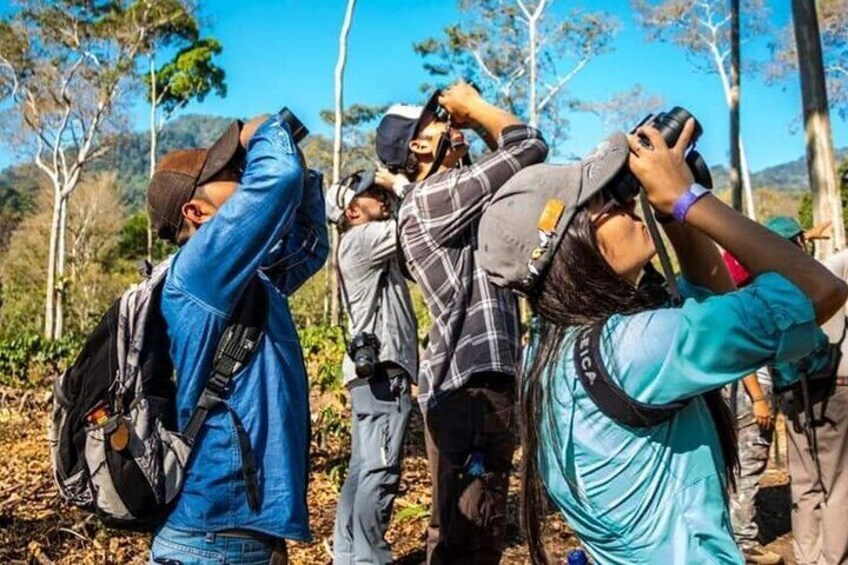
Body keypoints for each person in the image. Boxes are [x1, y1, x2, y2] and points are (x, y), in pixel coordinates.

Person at [476, 121, 847, 564]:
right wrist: (690, 200)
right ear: (573, 246)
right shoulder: (631, 350)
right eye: (607, 200)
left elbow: (717, 303)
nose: (628, 200)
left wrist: (675, 219)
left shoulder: (548, 350)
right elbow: (817, 290)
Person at [374, 81, 548, 563]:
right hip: (472, 387)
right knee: (473, 533)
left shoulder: (445, 197)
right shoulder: (433, 198)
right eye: (439, 119)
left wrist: (469, 125)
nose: (451, 123)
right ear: (417, 146)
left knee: (456, 528)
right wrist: (475, 107)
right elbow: (529, 145)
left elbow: (513, 180)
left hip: (463, 388)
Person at [145, 112, 328, 564]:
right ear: (197, 213)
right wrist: (259, 132)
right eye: (231, 175)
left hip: (227, 535)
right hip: (217, 537)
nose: (243, 178)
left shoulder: (239, 281)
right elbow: (278, 178)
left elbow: (309, 245)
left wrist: (300, 172)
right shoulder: (199, 269)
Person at [325, 169, 418, 564]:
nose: (382, 197)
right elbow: (420, 219)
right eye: (373, 194)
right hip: (383, 375)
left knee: (362, 468)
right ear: (352, 210)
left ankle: (348, 556)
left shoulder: (357, 242)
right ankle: (369, 559)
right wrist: (403, 186)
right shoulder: (365, 239)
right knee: (380, 472)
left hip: (368, 377)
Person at [765, 216, 848, 565]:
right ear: (800, 243)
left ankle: (806, 556)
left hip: (791, 394)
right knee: (839, 484)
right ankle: (834, 559)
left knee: (804, 483)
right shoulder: (823, 273)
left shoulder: (765, 291)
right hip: (835, 387)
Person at [721, 251, 783, 565]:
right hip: (749, 397)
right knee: (748, 467)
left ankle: (731, 537)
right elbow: (742, 353)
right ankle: (744, 543)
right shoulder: (746, 306)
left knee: (732, 467)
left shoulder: (723, 303)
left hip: (730, 397)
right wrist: (759, 397)